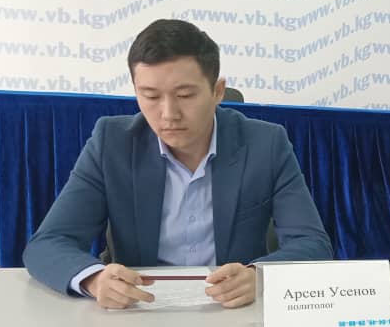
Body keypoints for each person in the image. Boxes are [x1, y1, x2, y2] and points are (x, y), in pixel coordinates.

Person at [24, 19, 333, 308]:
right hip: (139, 308)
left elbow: (313, 243)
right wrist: (94, 280)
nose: (168, 114)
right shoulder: (112, 143)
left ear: (217, 91)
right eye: (150, 96)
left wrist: (260, 276)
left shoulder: (266, 144)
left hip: (232, 311)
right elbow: (48, 243)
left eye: (185, 95)